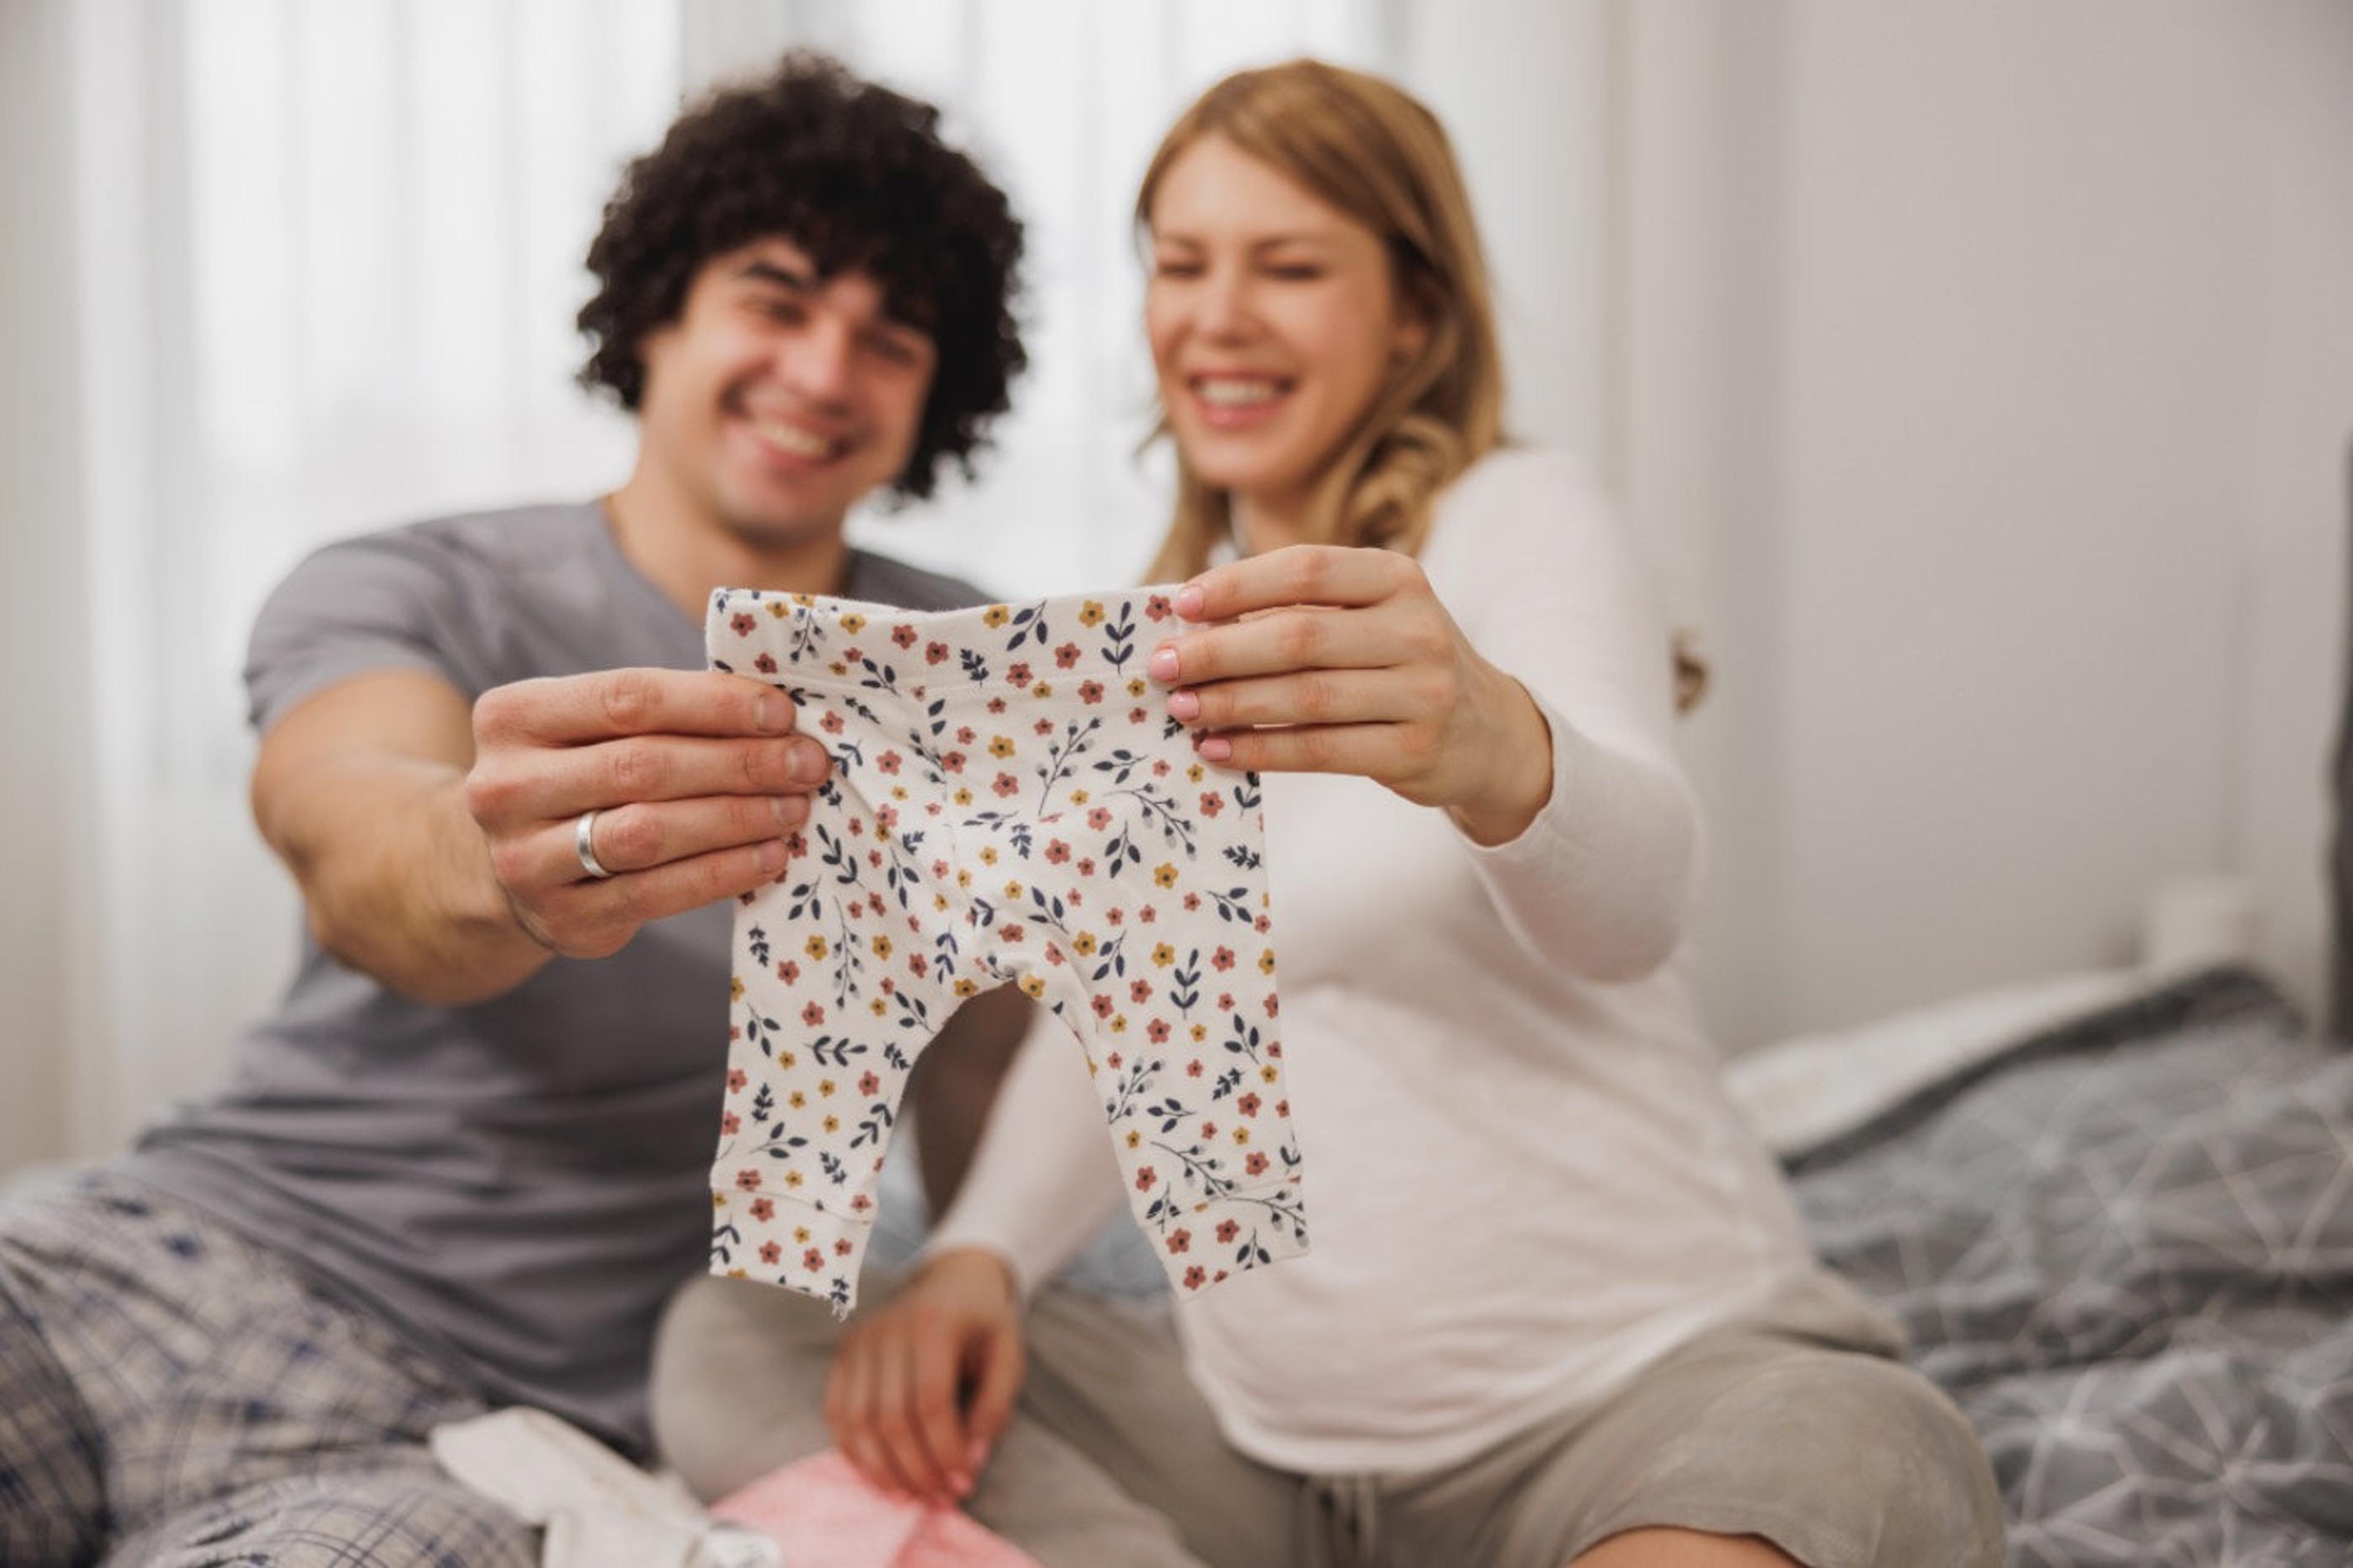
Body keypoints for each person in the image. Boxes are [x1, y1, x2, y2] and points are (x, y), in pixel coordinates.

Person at [651, 58, 2007, 1568]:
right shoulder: (1148, 647)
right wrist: (980, 1257)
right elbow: (1122, 1024)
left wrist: (1494, 747)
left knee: (1870, 1451)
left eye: (1288, 267)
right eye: (1182, 264)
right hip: (1266, 1470)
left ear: (1413, 315)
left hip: (1636, 1402)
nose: (1218, 316)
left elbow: (1636, 916)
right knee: (750, 1333)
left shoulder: (1511, 519)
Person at [0, 53, 1036, 1564]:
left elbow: (989, 1078)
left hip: (488, 1433)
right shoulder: (415, 583)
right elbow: (356, 840)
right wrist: (512, 865)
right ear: (662, 310)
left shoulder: (956, 678)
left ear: (938, 396)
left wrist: (972, 1270)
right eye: (776, 296)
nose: (822, 370)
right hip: (155, 1263)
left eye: (889, 337)